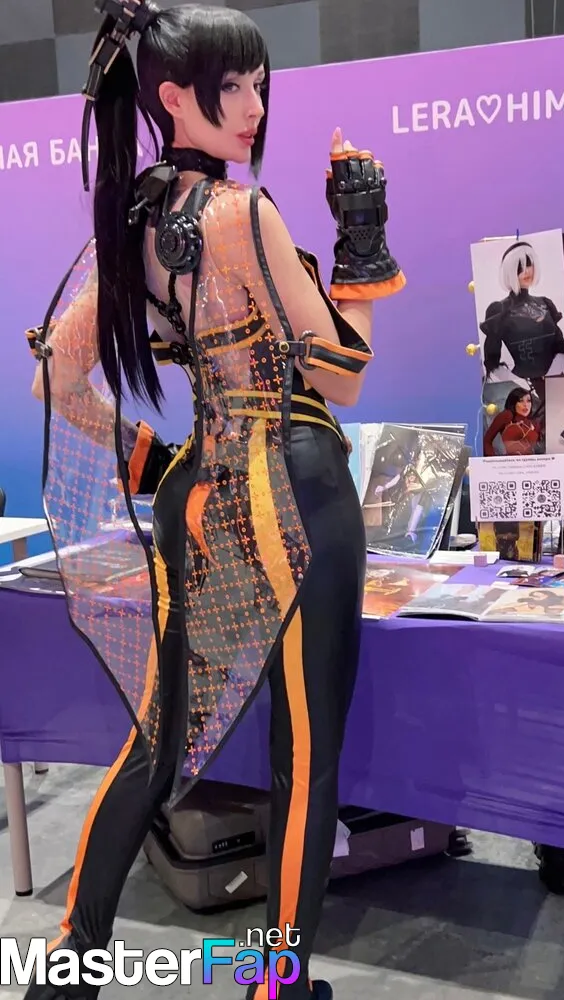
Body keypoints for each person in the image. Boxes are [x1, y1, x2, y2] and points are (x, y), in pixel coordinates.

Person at [23, 3, 405, 999]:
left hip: (198, 492)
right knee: (304, 754)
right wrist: (362, 238)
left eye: (259, 84)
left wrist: (156, 465)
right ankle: (278, 982)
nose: (253, 105)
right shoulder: (244, 213)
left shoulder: (130, 226)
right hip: (294, 489)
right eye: (231, 87)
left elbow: (56, 380)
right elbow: (344, 376)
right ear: (172, 99)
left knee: (156, 737)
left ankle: (71, 962)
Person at [479, 240, 564, 381]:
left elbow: (561, 346)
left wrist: (553, 374)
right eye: (519, 266)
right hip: (523, 385)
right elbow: (492, 362)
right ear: (510, 270)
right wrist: (519, 384)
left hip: (556, 380)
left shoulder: (545, 303)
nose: (526, 271)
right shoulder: (498, 309)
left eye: (529, 264)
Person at [483, 385, 543, 456]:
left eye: (528, 401)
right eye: (520, 401)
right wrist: (492, 460)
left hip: (531, 461)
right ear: (513, 403)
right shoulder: (507, 415)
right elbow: (487, 441)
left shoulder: (534, 423)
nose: (525, 405)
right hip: (511, 461)